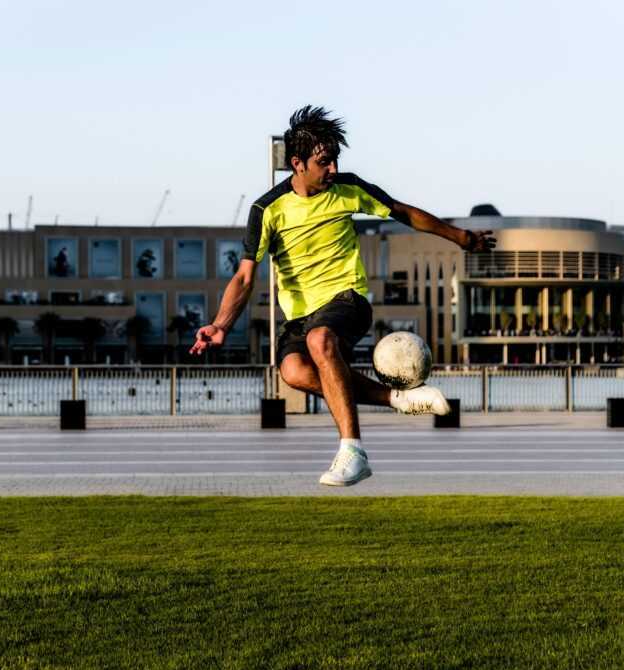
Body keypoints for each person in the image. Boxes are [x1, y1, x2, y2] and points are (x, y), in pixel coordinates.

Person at [190, 105, 495, 486]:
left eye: (335, 160)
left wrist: (461, 238)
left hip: (347, 299)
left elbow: (403, 212)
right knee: (294, 372)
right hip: (300, 316)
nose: (332, 169)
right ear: (297, 163)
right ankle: (396, 399)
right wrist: (220, 325)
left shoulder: (347, 188)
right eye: (324, 162)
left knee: (321, 340)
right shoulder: (268, 209)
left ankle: (353, 450)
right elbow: (244, 276)